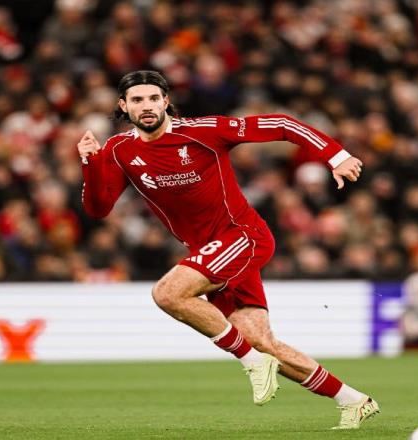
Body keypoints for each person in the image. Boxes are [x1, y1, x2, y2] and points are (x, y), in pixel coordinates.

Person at [77, 70, 379, 430]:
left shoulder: (204, 131)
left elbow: (282, 124)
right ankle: (352, 400)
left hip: (243, 236)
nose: (147, 106)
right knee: (261, 341)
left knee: (168, 294)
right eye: (138, 100)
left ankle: (251, 362)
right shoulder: (118, 149)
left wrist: (336, 155)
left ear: (166, 102)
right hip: (211, 253)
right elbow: (98, 209)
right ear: (123, 106)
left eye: (154, 98)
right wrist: (90, 163)